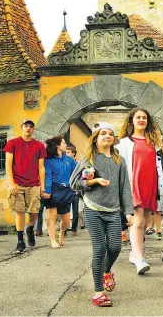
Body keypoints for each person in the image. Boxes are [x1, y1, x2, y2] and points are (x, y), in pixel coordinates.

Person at [70, 122, 133, 307]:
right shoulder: (89, 157)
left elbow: (125, 188)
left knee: (115, 247)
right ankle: (99, 292)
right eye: (103, 133)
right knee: (99, 249)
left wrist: (128, 211)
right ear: (95, 138)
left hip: (113, 211)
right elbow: (74, 183)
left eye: (110, 134)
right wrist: (93, 181)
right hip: (93, 209)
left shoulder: (119, 160)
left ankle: (106, 271)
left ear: (114, 139)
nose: (107, 136)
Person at [116, 107, 163, 274]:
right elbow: (118, 166)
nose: (141, 120)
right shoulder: (123, 143)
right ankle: (140, 260)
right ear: (132, 121)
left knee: (144, 223)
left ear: (147, 121)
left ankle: (134, 254)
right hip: (132, 184)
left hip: (150, 185)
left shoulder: (155, 144)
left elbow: (162, 166)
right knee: (138, 221)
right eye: (138, 117)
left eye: (144, 117)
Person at [4, 119, 47, 253]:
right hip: (17, 183)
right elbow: (8, 165)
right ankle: (20, 240)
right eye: (26, 126)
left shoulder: (39, 146)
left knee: (34, 212)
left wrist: (42, 186)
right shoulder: (12, 143)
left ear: (33, 129)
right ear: (21, 127)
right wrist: (11, 183)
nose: (28, 128)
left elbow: (41, 168)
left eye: (31, 126)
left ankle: (30, 229)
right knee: (19, 211)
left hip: (33, 183)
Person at [44, 136, 76, 248]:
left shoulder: (70, 160)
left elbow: (75, 174)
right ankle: (53, 240)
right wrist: (47, 190)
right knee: (52, 215)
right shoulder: (48, 160)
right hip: (53, 189)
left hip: (67, 190)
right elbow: (47, 175)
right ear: (58, 145)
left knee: (66, 220)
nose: (65, 145)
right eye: (64, 143)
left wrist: (71, 185)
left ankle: (61, 233)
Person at [66, 145, 80, 235]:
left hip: (75, 190)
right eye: (66, 152)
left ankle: (74, 229)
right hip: (66, 190)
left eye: (68, 152)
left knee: (75, 211)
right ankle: (65, 230)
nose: (66, 154)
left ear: (73, 153)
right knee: (65, 211)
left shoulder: (78, 163)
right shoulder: (64, 163)